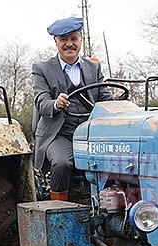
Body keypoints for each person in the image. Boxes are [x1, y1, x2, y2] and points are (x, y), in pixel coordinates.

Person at [32, 16, 114, 201]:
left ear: (80, 40)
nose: (69, 44)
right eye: (64, 40)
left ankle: (111, 205)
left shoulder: (94, 67)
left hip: (90, 134)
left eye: (73, 39)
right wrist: (55, 103)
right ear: (56, 42)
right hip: (59, 133)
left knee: (121, 158)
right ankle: (58, 211)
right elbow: (41, 101)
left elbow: (104, 97)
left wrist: (117, 102)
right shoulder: (42, 68)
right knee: (62, 163)